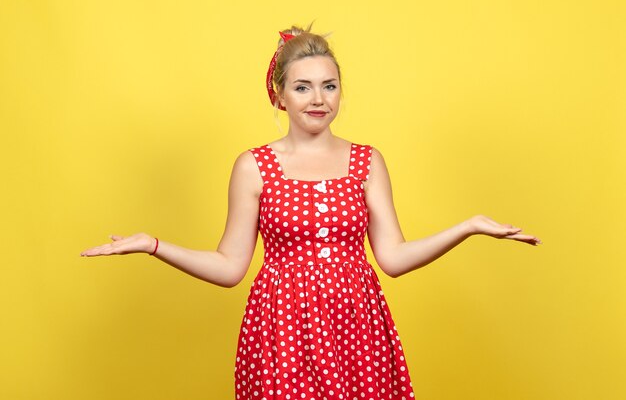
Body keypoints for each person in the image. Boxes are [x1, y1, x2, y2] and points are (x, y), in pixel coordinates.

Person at [81, 24, 541, 400]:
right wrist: (154, 245)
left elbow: (394, 258)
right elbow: (229, 267)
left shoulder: (368, 161)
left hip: (357, 327)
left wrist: (469, 227)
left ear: (341, 92)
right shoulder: (254, 166)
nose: (318, 98)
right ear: (279, 96)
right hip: (281, 327)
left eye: (329, 86)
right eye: (302, 87)